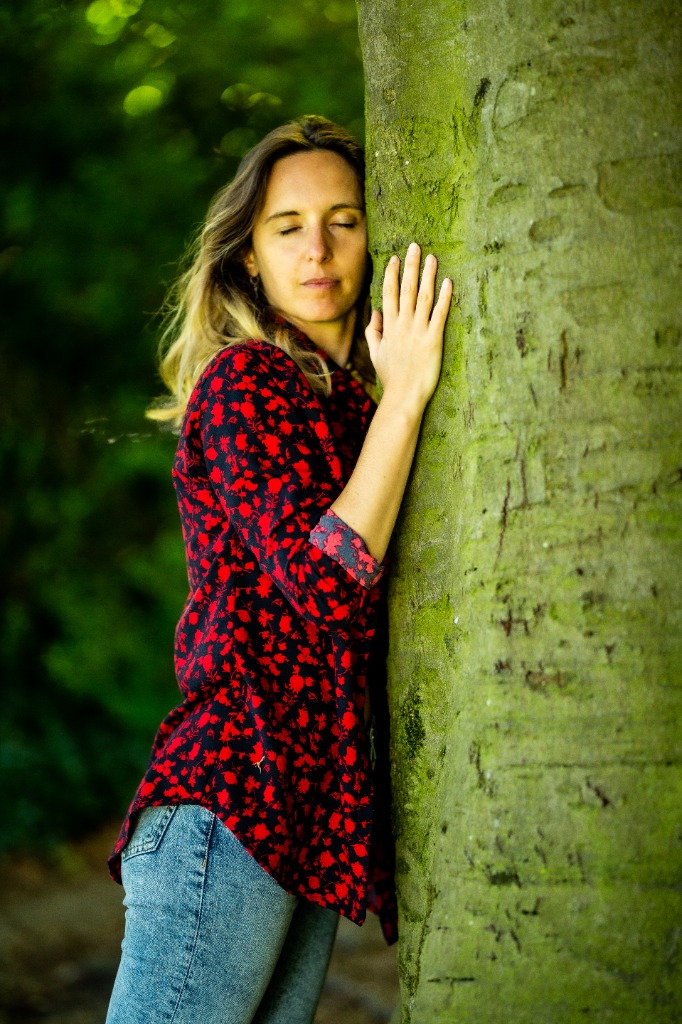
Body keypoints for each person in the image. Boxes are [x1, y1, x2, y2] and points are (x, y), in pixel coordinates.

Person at [105, 114, 452, 1024]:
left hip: (306, 822)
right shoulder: (247, 382)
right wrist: (407, 393)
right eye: (287, 226)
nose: (319, 250)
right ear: (249, 257)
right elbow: (328, 584)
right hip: (231, 802)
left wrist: (391, 398)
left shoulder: (349, 409)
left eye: (345, 220)